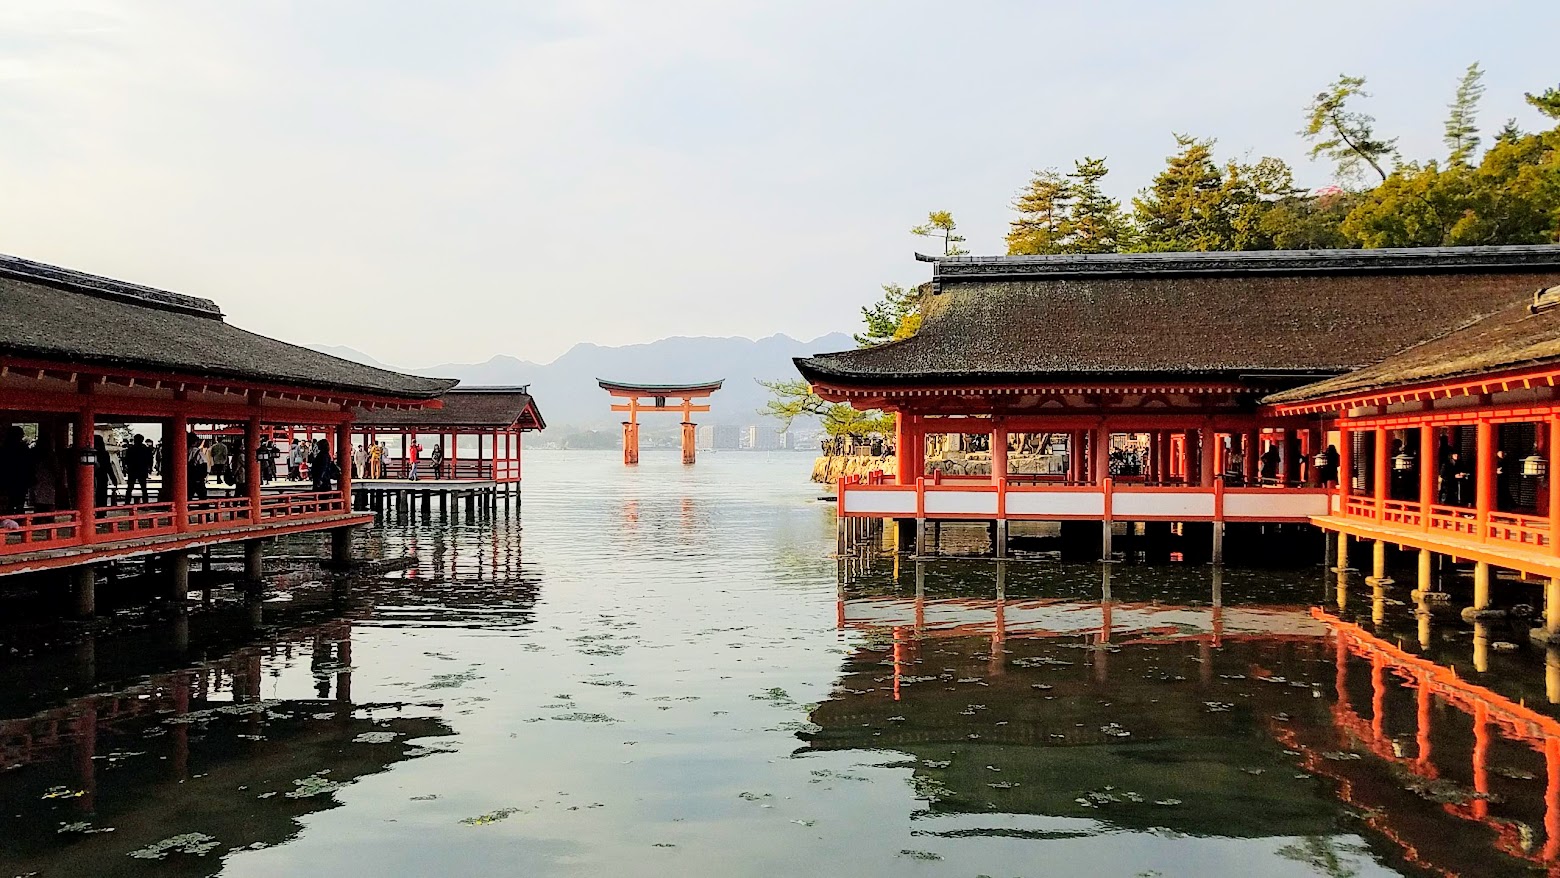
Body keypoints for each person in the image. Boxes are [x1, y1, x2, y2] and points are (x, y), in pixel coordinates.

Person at [0, 426, 34, 515]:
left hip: (10, 477)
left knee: (11, 501)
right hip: (18, 477)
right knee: (16, 501)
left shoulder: (4, 447)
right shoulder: (22, 449)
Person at [124, 433, 154, 504]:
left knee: (130, 487)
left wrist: (127, 467)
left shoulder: (131, 449)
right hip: (142, 469)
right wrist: (150, 468)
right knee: (144, 488)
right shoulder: (146, 449)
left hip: (133, 469)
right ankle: (145, 503)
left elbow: (127, 460)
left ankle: (127, 502)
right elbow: (150, 460)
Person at [93, 434, 118, 508]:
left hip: (93, 476)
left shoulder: (91, 453)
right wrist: (113, 478)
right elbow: (109, 467)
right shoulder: (104, 453)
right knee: (102, 495)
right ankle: (102, 511)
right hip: (102, 476)